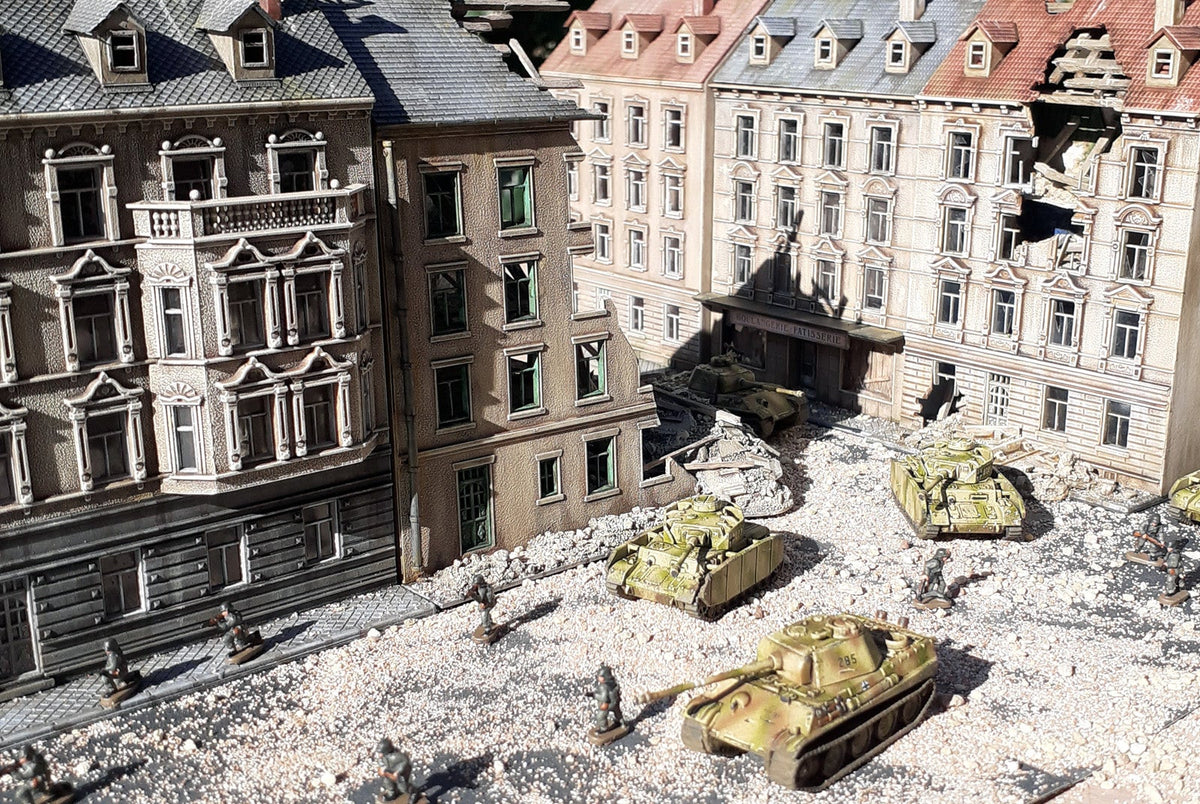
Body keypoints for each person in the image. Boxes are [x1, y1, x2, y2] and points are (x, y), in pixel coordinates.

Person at [591, 664, 624, 734]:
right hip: (615, 701)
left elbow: (604, 698)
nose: (598, 678)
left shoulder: (603, 687)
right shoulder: (613, 682)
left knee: (600, 716)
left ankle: (603, 728)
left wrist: (594, 695)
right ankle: (622, 723)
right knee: (617, 712)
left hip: (607, 704)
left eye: (600, 676)